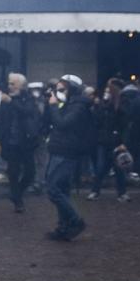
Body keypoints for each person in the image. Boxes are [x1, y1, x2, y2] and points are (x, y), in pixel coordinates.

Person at [42, 75, 92, 241]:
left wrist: (54, 107)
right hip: (59, 149)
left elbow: (62, 124)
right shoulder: (70, 104)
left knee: (53, 189)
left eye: (62, 88)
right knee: (62, 190)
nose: (59, 91)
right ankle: (63, 226)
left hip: (66, 151)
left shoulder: (79, 106)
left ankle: (75, 220)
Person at [0, 73, 39, 212]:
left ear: (21, 85)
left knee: (30, 172)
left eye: (13, 83)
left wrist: (11, 102)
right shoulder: (6, 99)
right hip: (10, 141)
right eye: (9, 83)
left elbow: (28, 111)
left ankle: (16, 193)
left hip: (25, 140)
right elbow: (0, 121)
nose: (10, 86)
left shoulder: (28, 97)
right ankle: (18, 202)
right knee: (13, 172)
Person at [88, 78, 131, 202]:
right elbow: (98, 120)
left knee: (119, 167)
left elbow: (125, 124)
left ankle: (121, 193)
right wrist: (100, 106)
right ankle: (95, 191)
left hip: (116, 140)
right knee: (101, 167)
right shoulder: (103, 103)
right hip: (104, 140)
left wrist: (124, 142)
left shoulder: (123, 103)